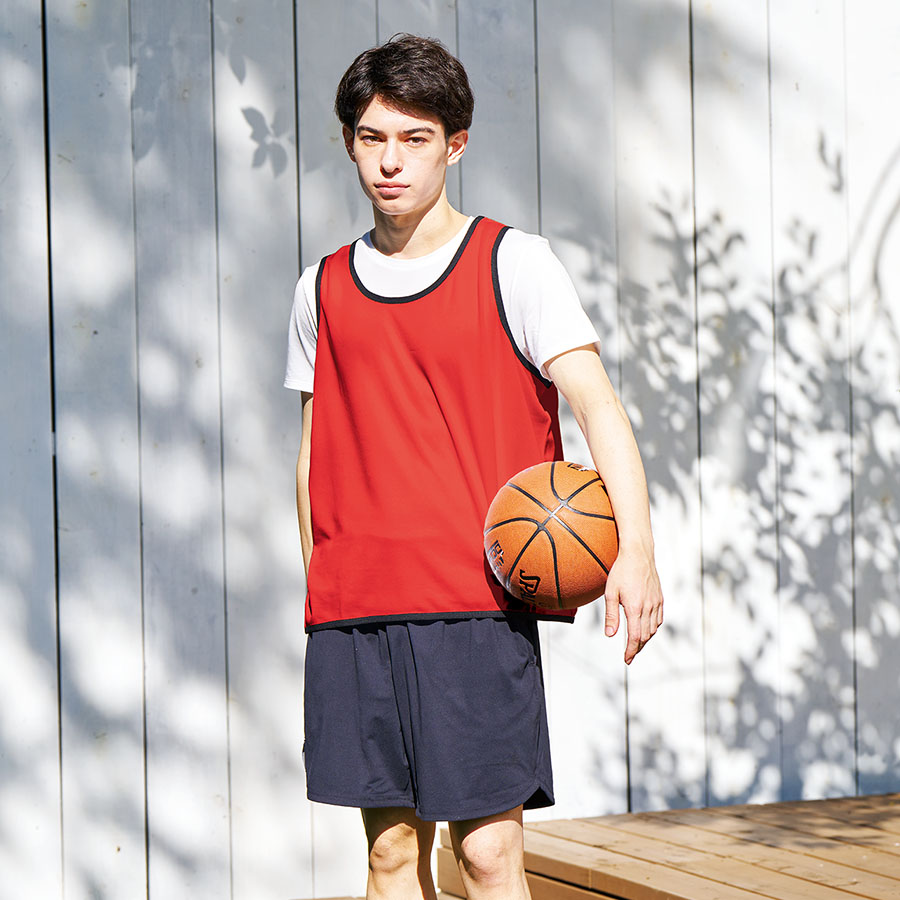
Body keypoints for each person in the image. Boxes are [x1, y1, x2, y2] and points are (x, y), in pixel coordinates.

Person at [284, 33, 663, 900]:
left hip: (474, 609)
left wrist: (636, 553)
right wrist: (322, 588)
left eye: (414, 139)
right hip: (356, 612)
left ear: (455, 145)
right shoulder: (320, 288)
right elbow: (311, 454)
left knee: (488, 857)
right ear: (349, 143)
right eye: (373, 138)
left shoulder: (514, 262)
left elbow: (599, 408)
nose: (391, 161)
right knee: (388, 857)